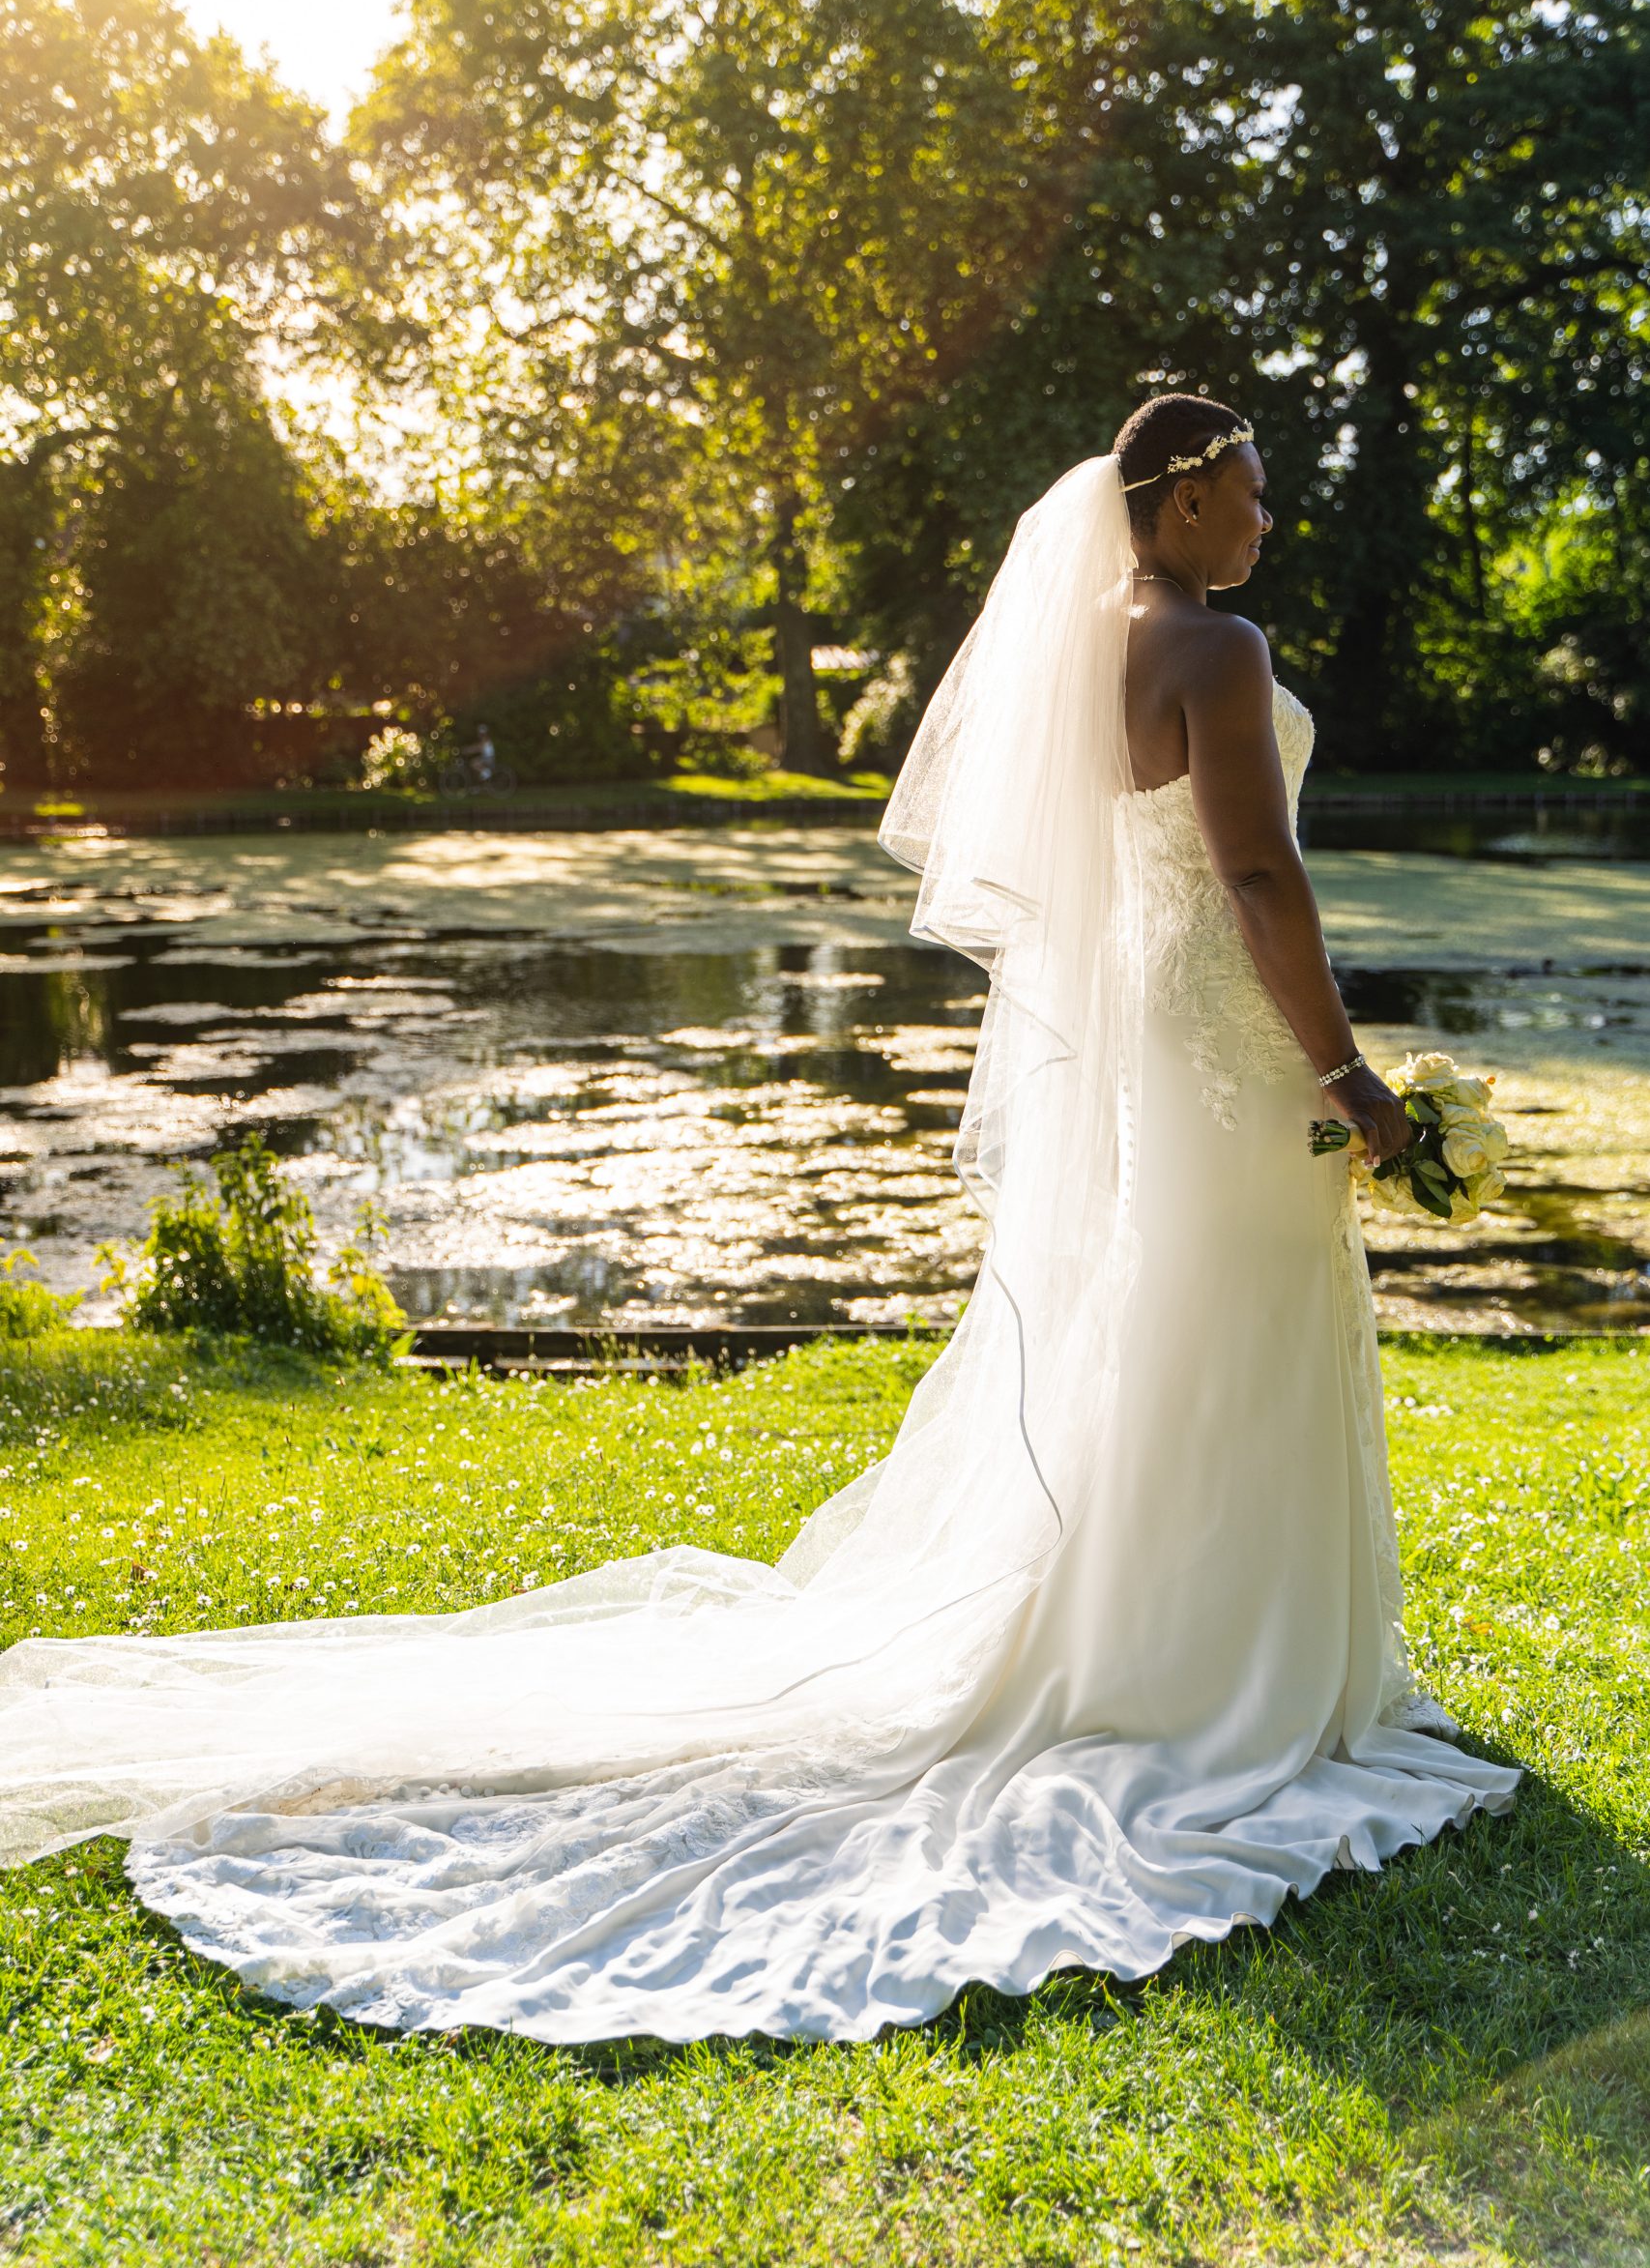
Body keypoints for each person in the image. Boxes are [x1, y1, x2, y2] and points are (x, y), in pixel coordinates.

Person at [0, 397, 1519, 2045]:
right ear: (1176, 503)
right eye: (1248, 491)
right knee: (1234, 1304)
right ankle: (1224, 1674)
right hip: (1227, 1014)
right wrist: (1353, 1073)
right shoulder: (1216, 651)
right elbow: (1256, 878)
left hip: (1164, 1021)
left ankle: (1170, 1643)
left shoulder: (1092, 637)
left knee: (1177, 1310)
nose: (1268, 518)